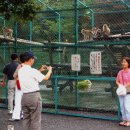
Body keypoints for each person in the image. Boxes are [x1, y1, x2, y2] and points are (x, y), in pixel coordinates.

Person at [18, 51, 52, 130]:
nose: (34, 60)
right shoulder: (32, 71)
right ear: (30, 59)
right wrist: (49, 70)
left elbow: (30, 76)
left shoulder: (20, 70)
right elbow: (46, 78)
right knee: (35, 120)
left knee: (26, 119)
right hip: (34, 97)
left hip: (24, 97)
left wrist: (39, 70)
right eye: (33, 59)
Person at [9, 53, 26, 121]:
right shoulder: (29, 67)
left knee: (18, 100)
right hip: (27, 86)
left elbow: (14, 75)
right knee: (24, 101)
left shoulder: (20, 66)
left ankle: (16, 116)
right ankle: (23, 115)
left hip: (19, 85)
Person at [116, 57, 130, 127]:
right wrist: (120, 85)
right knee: (122, 106)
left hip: (128, 92)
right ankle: (124, 120)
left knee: (127, 106)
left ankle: (129, 120)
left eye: (125, 62)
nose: (123, 63)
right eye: (122, 62)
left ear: (128, 63)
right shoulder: (120, 72)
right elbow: (117, 81)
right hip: (121, 92)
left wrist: (124, 86)